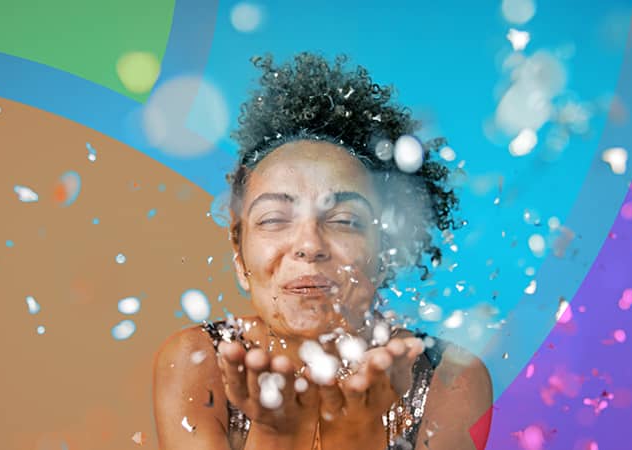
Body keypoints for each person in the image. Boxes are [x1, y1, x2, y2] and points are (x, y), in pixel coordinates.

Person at [153, 52, 492, 450]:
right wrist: (277, 437)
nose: (310, 245)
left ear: (385, 253)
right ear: (240, 256)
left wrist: (354, 439)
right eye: (274, 219)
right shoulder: (197, 362)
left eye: (344, 220)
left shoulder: (449, 377)